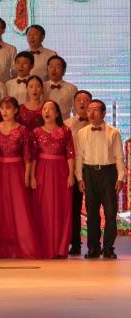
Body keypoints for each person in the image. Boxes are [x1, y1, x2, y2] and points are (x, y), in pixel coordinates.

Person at [0, 97, 39, 259]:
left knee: (18, 206)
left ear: (16, 110)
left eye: (8, 108)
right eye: (2, 108)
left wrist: (27, 175)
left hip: (17, 170)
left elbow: (28, 155)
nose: (5, 111)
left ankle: (21, 245)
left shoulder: (23, 130)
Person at [75, 100, 125, 259]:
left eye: (95, 110)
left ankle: (108, 247)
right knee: (91, 213)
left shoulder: (113, 132)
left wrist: (121, 177)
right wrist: (79, 177)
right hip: (89, 173)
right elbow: (79, 157)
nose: (91, 113)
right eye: (89, 109)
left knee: (110, 213)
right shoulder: (81, 133)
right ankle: (93, 248)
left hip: (108, 173)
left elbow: (119, 156)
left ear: (103, 113)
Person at [31, 100, 75, 259]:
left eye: (50, 109)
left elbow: (70, 153)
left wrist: (71, 174)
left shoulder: (65, 130)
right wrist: (32, 176)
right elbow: (33, 156)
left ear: (57, 113)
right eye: (44, 109)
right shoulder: (36, 132)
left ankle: (59, 247)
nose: (46, 112)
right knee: (42, 208)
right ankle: (43, 247)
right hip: (42, 170)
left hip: (61, 172)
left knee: (61, 208)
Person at [64, 90, 93, 256]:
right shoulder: (66, 124)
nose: (82, 102)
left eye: (86, 100)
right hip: (74, 170)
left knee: (93, 208)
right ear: (74, 104)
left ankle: (94, 245)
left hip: (93, 170)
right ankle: (75, 243)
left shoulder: (99, 125)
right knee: (74, 209)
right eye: (79, 100)